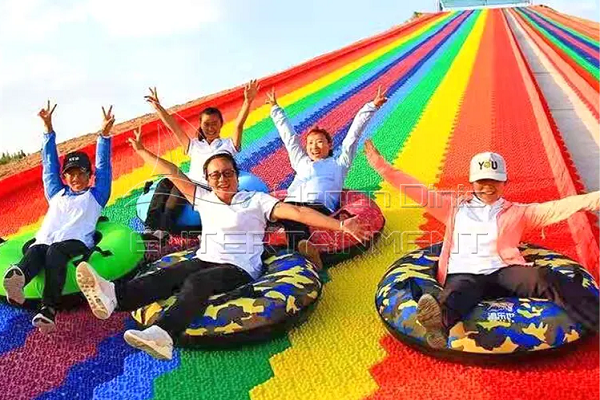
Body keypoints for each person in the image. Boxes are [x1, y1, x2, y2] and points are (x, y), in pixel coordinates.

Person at [75, 128, 368, 360]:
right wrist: (141, 150)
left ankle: (163, 335)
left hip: (239, 268)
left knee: (197, 283)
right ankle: (114, 296)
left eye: (228, 173)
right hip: (206, 257)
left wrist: (340, 224)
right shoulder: (203, 198)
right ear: (208, 179)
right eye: (215, 175)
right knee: (169, 275)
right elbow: (172, 172)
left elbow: (298, 212)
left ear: (237, 176)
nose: (222, 178)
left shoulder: (256, 200)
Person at [364, 141, 600, 348]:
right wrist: (379, 164)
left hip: (504, 272)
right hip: (465, 273)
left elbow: (556, 208)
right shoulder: (453, 208)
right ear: (472, 181)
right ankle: (437, 324)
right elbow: (416, 190)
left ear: (504, 181)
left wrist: (593, 199)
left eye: (494, 181)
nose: (488, 186)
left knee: (545, 278)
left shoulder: (518, 212)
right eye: (482, 181)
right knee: (457, 295)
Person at [3, 101, 115, 333]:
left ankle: (49, 309)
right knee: (37, 249)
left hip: (75, 242)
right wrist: (48, 129)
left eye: (80, 173)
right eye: (70, 174)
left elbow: (104, 166)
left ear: (88, 175)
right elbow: (49, 165)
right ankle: (18, 281)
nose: (75, 178)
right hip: (46, 241)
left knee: (55, 251)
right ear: (65, 177)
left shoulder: (96, 195)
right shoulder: (57, 193)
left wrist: (103, 136)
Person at [266, 86, 388, 268]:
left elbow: (353, 135)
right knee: (269, 210)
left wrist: (371, 106)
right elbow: (289, 138)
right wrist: (276, 110)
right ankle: (301, 248)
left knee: (293, 217)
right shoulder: (301, 162)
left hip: (317, 207)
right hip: (289, 204)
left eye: (320, 142)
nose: (314, 146)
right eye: (310, 143)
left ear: (329, 145)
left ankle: (302, 253)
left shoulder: (339, 164)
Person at [142, 81, 260, 233]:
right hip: (189, 182)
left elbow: (238, 125)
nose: (210, 128)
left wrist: (248, 101)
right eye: (206, 124)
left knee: (177, 191)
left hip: (207, 187)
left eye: (214, 124)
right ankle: (149, 227)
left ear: (221, 124)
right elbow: (174, 127)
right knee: (165, 182)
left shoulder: (228, 145)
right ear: (201, 125)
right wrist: (158, 108)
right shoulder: (194, 145)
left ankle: (163, 231)